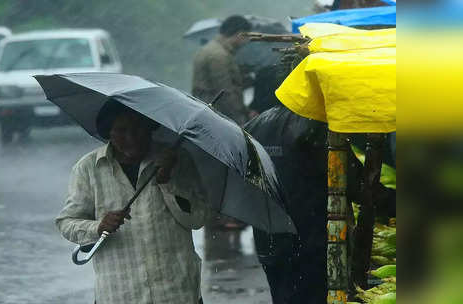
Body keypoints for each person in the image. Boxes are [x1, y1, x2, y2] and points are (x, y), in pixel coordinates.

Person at [55, 102, 208, 304]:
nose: (131, 138)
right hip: (119, 293)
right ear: (108, 132)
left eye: (138, 129)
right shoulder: (88, 169)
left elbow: (196, 219)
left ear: (150, 128)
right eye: (121, 131)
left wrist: (167, 182)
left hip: (177, 292)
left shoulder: (177, 160)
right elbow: (67, 223)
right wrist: (98, 226)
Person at [245, 105, 396, 304]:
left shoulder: (256, 126)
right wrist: (393, 203)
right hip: (310, 242)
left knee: (283, 297)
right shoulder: (315, 127)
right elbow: (355, 184)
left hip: (270, 241)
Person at [192, 15, 253, 126]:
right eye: (246, 37)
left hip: (208, 112)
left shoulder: (212, 50)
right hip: (218, 116)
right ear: (239, 34)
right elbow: (225, 93)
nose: (246, 41)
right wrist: (240, 121)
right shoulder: (219, 56)